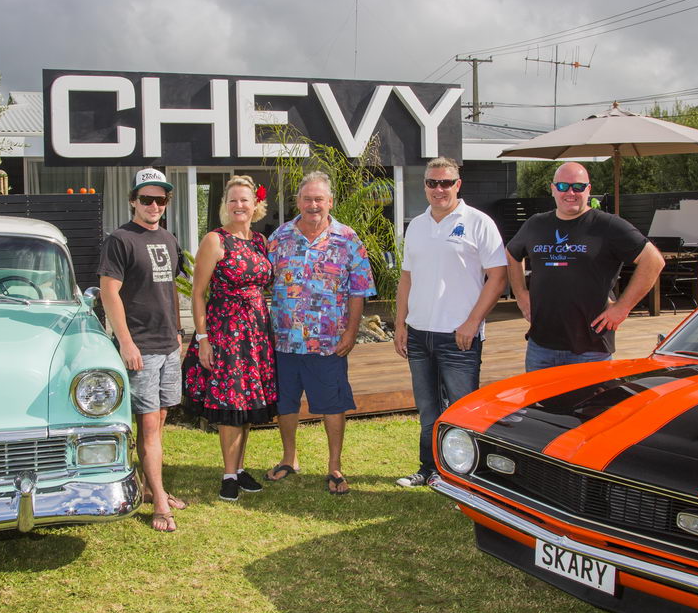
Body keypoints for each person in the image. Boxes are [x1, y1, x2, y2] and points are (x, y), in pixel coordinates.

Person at [393, 157, 507, 487]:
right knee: (428, 410)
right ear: (425, 186)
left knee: (463, 411)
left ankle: (466, 478)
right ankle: (429, 468)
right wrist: (400, 324)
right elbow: (406, 278)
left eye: (446, 183)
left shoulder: (478, 222)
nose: (439, 189)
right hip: (419, 334)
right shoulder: (417, 225)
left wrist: (472, 322)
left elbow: (498, 277)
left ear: (458, 184)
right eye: (432, 183)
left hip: (460, 336)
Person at [265, 171, 376, 495]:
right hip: (284, 341)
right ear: (298, 201)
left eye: (319, 199)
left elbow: (359, 291)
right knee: (285, 403)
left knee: (332, 404)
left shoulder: (348, 239)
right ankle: (289, 458)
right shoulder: (280, 238)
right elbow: (261, 281)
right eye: (307, 199)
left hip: (328, 343)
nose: (313, 205)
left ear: (330, 202)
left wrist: (351, 332)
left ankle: (334, 466)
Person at [505, 161, 664, 372]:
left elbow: (653, 260)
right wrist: (521, 295)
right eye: (563, 186)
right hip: (541, 346)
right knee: (538, 396)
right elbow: (512, 253)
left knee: (592, 396)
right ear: (552, 189)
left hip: (591, 348)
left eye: (578, 187)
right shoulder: (536, 223)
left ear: (588, 189)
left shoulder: (607, 225)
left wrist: (622, 308)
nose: (570, 192)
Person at [97, 167, 186, 532]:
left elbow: (170, 289)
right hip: (141, 347)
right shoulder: (120, 240)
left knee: (159, 421)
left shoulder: (168, 239)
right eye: (146, 199)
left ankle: (150, 487)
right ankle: (160, 503)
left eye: (160, 200)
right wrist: (126, 342)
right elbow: (108, 292)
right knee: (148, 425)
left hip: (168, 345)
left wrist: (177, 331)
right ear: (133, 200)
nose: (154, 205)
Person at [183, 175, 278, 502]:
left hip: (256, 333)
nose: (239, 205)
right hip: (226, 333)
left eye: (244, 200)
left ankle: (239, 468)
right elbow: (198, 294)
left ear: (255, 205)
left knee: (248, 401)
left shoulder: (260, 241)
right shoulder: (215, 240)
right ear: (226, 205)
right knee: (230, 401)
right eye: (233, 200)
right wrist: (203, 338)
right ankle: (228, 475)